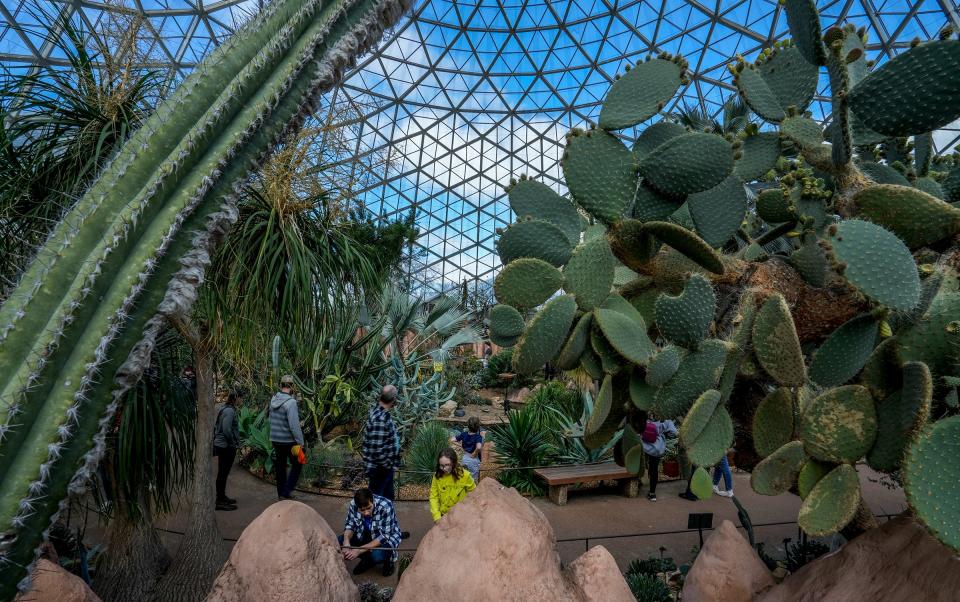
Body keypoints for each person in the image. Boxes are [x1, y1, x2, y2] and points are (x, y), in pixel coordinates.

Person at [339, 487, 402, 576]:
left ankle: (386, 562)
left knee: (377, 556)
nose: (366, 513)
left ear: (372, 500)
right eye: (362, 510)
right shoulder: (353, 504)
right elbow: (350, 524)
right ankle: (367, 559)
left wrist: (359, 551)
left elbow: (384, 536)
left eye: (369, 508)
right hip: (365, 532)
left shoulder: (386, 505)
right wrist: (346, 542)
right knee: (340, 541)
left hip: (385, 536)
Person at [362, 385, 401, 501]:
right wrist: (389, 465)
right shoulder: (380, 418)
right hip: (380, 470)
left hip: (383, 469)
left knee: (387, 502)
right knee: (378, 503)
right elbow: (377, 450)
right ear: (394, 399)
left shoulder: (380, 413)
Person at [270, 374, 304, 500]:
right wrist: (301, 442)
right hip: (288, 442)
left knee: (280, 466)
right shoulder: (291, 403)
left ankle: (281, 494)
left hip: (275, 440)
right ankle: (287, 490)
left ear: (281, 385)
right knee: (298, 462)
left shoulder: (273, 399)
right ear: (292, 386)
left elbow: (276, 419)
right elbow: (294, 426)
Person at [213, 390, 242, 510]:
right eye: (240, 398)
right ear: (236, 399)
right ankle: (220, 501)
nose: (241, 401)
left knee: (222, 473)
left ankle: (222, 497)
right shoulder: (230, 411)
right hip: (225, 446)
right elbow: (226, 429)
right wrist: (232, 442)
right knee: (223, 474)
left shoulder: (225, 408)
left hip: (222, 445)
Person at [429, 448, 476, 522]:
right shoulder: (437, 476)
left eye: (447, 464)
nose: (444, 468)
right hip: (443, 515)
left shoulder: (465, 475)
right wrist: (437, 517)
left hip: (461, 515)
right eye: (441, 465)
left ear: (454, 462)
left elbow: (475, 494)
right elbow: (433, 497)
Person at [641, 415, 677, 502]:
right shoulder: (664, 418)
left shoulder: (643, 415)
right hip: (657, 448)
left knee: (640, 465)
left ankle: (636, 485)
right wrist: (663, 434)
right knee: (654, 470)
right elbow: (673, 432)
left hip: (642, 446)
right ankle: (652, 493)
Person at [453, 416, 483, 483]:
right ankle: (473, 491)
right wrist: (475, 453)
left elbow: (452, 439)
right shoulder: (478, 437)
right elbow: (479, 447)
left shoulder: (464, 434)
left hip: (465, 458)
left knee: (464, 475)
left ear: (468, 426)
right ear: (478, 427)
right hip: (473, 459)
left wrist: (461, 446)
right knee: (473, 478)